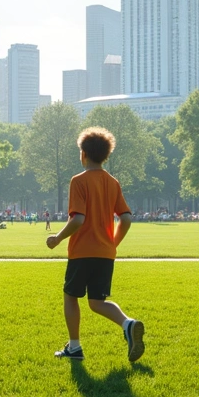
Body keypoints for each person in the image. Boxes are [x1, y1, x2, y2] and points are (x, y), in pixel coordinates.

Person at [45, 127, 144, 362]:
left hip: (82, 252)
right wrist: (113, 243)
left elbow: (78, 218)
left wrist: (57, 238)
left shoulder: (78, 181)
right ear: (106, 156)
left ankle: (75, 347)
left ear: (83, 154)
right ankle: (128, 324)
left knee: (70, 296)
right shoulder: (113, 182)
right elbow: (127, 218)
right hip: (105, 253)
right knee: (97, 301)